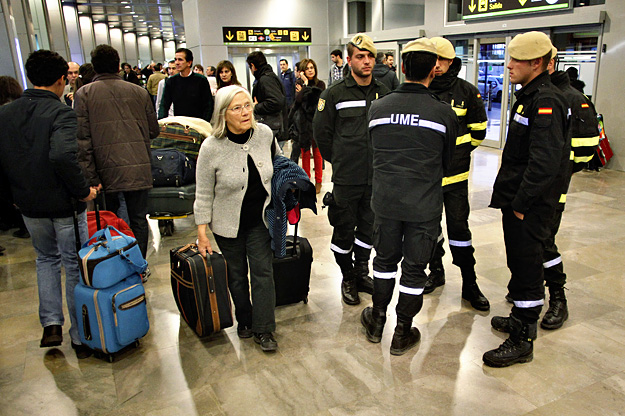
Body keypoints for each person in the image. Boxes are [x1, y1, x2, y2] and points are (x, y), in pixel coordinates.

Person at [362, 38, 458, 355]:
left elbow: (373, 151)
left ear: (402, 68)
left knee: (385, 262)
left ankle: (377, 321)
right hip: (424, 205)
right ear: (435, 70)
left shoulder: (377, 108)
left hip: (386, 202)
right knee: (415, 270)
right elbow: (447, 163)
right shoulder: (444, 114)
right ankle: (402, 333)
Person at [0, 50, 98, 358]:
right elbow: (62, 157)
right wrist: (84, 192)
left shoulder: (6, 113)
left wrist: (12, 197)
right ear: (60, 80)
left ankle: (52, 323)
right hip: (64, 203)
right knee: (72, 264)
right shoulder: (60, 113)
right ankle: (80, 335)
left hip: (28, 203)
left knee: (45, 259)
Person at [485, 32, 570, 368]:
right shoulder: (530, 96)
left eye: (515, 60)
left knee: (528, 264)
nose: (508, 66)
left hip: (530, 206)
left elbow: (544, 163)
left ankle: (524, 339)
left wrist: (520, 203)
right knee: (518, 264)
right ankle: (520, 317)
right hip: (518, 201)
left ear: (536, 63)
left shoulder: (546, 101)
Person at [517, 48, 598, 330]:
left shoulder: (573, 99)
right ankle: (528, 297)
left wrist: (556, 174)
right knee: (530, 245)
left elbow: (587, 150)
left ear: (547, 63)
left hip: (551, 191)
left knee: (545, 243)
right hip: (533, 188)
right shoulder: (533, 96)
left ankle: (558, 298)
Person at [195, 85, 279, 352]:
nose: (245, 112)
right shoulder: (211, 147)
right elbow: (204, 192)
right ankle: (245, 319)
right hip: (226, 225)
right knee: (237, 276)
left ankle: (264, 329)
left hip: (260, 220)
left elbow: (280, 163)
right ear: (223, 114)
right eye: (237, 108)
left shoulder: (264, 134)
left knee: (263, 273)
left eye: (247, 105)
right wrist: (201, 232)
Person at [313, 34, 390, 305]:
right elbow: (321, 133)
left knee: (368, 229)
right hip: (348, 178)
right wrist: (342, 159)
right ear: (349, 60)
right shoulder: (334, 94)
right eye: (360, 56)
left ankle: (361, 272)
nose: (367, 61)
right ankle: (347, 277)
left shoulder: (384, 92)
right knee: (344, 229)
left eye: (370, 56)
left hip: (376, 177)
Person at [422, 37, 490, 311]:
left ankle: (469, 283)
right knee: (429, 229)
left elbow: (479, 132)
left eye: (443, 60)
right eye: (433, 60)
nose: (437, 66)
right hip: (426, 180)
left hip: (456, 180)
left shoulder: (467, 92)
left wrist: (455, 156)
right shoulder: (419, 91)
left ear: (452, 62)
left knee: (459, 231)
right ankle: (435, 271)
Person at [75, 44, 159, 263]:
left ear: (94, 67)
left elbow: (82, 140)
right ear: (118, 64)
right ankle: (138, 266)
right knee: (138, 219)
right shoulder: (139, 92)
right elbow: (153, 130)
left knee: (109, 220)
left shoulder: (84, 94)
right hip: (138, 166)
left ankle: (115, 266)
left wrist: (90, 177)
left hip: (104, 169)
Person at [291, 58, 325, 194]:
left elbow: (315, 103)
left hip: (316, 122)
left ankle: (318, 181)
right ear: (303, 71)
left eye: (312, 67)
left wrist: (304, 92)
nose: (310, 70)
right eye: (308, 68)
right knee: (304, 153)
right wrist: (305, 85)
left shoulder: (320, 84)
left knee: (317, 153)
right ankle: (306, 181)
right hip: (303, 124)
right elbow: (298, 101)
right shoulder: (300, 83)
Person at [158, 48, 214, 122]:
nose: (177, 63)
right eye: (176, 59)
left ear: (189, 63)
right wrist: (161, 123)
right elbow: (164, 105)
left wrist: (204, 122)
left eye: (180, 60)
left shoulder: (201, 80)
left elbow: (208, 105)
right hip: (179, 123)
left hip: (198, 123)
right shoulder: (171, 81)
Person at [247, 51, 287, 148]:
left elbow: (276, 101)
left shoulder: (266, 79)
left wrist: (256, 107)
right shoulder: (269, 76)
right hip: (274, 126)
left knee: (273, 159)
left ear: (253, 66)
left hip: (272, 127)